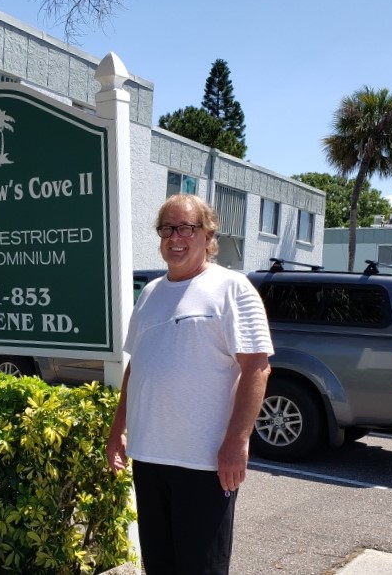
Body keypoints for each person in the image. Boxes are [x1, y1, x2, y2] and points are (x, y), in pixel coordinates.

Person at [106, 194, 273, 574]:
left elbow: (257, 369)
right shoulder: (150, 293)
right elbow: (138, 369)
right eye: (167, 228)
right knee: (159, 564)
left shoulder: (232, 288)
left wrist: (237, 442)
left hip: (205, 463)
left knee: (201, 567)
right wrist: (118, 431)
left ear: (208, 234)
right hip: (149, 458)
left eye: (186, 227)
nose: (174, 237)